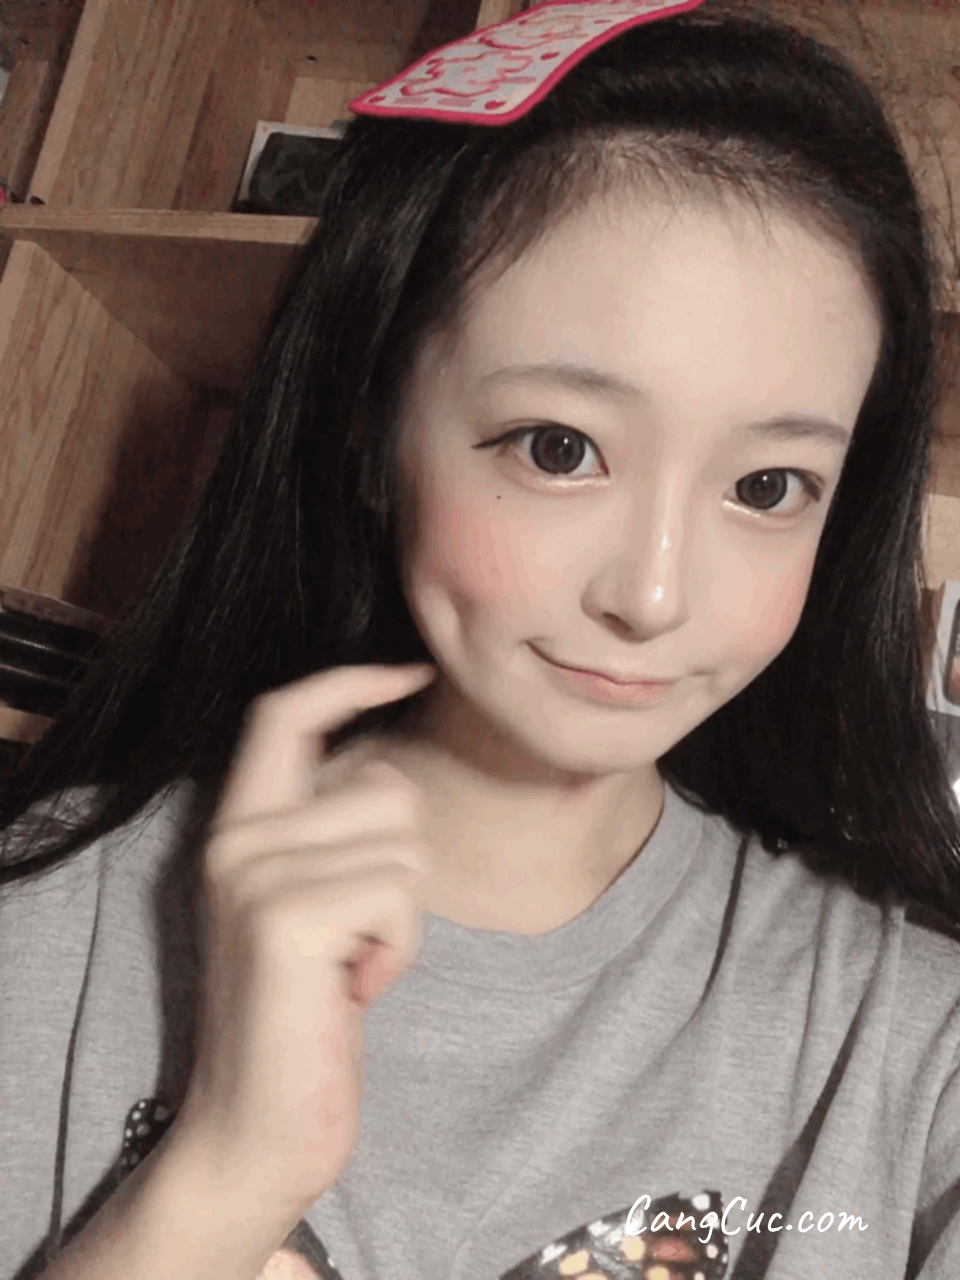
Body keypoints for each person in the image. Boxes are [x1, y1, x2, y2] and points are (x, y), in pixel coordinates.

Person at [2, 1, 960, 1277]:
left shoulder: (916, 1047)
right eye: (560, 449)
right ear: (369, 429)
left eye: (767, 486)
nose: (652, 595)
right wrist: (230, 1171)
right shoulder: (55, 919)